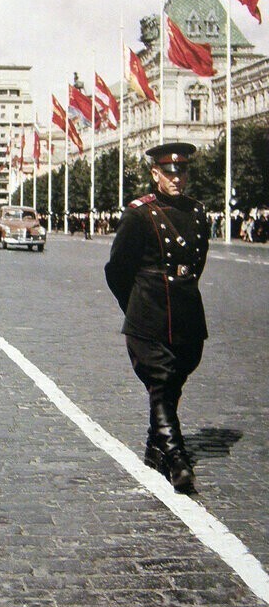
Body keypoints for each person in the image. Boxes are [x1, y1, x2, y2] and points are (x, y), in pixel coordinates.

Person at [105, 143, 209, 492]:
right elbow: (117, 269)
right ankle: (177, 458)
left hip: (186, 312)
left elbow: (197, 263)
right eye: (169, 172)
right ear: (155, 174)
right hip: (149, 312)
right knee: (161, 381)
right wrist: (134, 307)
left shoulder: (197, 213)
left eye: (181, 172)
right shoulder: (139, 214)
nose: (176, 178)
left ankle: (155, 446)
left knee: (174, 379)